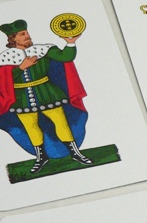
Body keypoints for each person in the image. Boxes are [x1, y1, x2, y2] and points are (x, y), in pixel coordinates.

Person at [0, 19, 92, 173]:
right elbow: (3, 80)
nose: (27, 36)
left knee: (61, 123)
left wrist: (70, 43)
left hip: (47, 93)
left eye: (27, 33)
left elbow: (65, 57)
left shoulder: (42, 49)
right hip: (22, 99)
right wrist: (21, 67)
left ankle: (76, 153)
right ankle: (41, 158)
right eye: (22, 34)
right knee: (31, 128)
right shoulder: (5, 57)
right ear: (13, 38)